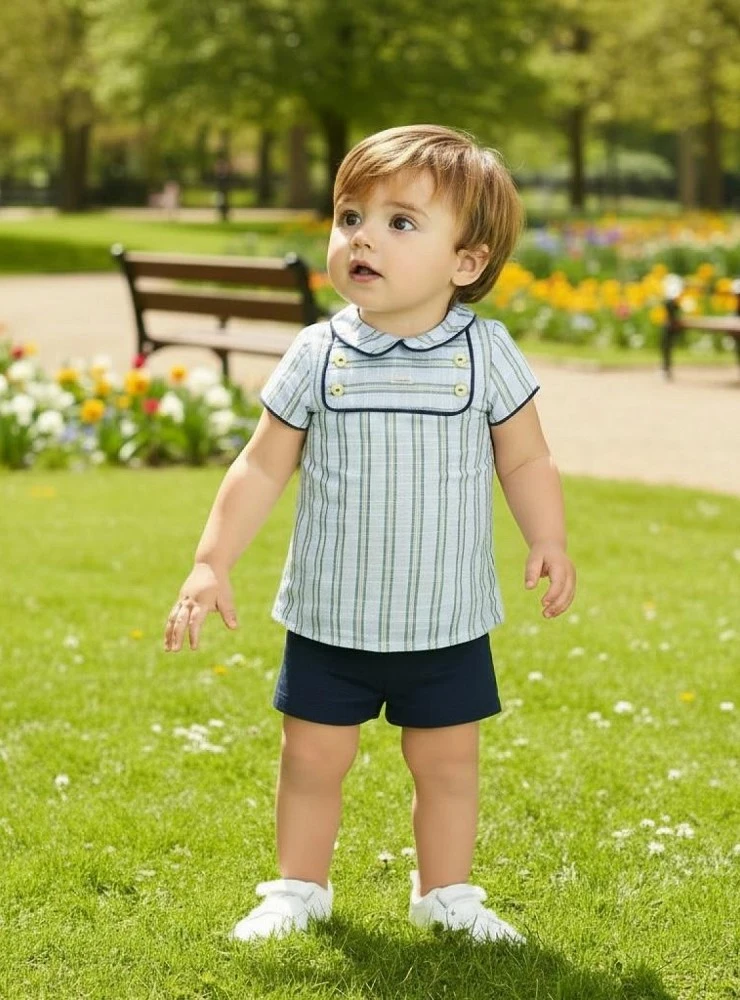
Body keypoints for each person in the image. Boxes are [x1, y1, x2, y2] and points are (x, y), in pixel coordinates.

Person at [164, 124, 576, 945]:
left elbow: (526, 459)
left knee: (447, 766)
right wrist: (211, 563)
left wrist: (548, 538)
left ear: (467, 262)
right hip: (330, 617)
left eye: (400, 222)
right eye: (350, 214)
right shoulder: (319, 353)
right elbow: (260, 466)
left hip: (446, 618)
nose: (362, 236)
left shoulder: (484, 352)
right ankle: (296, 890)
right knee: (313, 761)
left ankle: (447, 895)